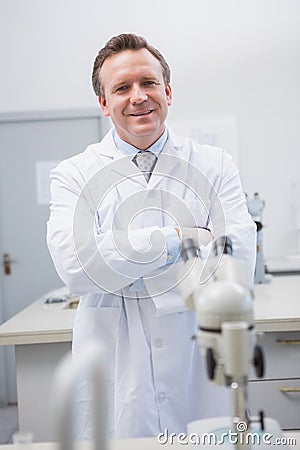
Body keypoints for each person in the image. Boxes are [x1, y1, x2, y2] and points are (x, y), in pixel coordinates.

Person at [47, 33, 256, 440]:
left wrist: (123, 261)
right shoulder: (74, 174)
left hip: (197, 352)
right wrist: (181, 238)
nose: (138, 96)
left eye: (149, 83)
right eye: (122, 88)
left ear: (168, 91)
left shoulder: (213, 166)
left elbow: (237, 262)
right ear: (104, 103)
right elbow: (76, 266)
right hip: (117, 360)